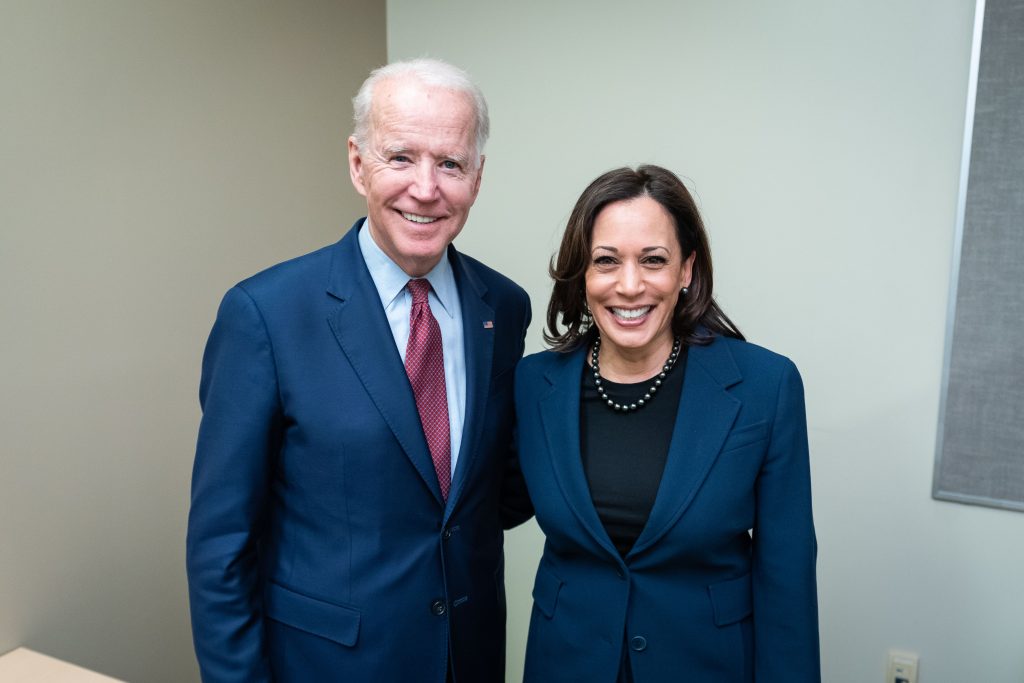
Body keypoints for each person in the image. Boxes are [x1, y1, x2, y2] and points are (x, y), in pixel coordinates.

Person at [185, 58, 531, 683]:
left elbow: (487, 496)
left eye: (449, 163)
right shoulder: (266, 315)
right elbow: (220, 548)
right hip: (328, 664)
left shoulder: (503, 309)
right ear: (357, 163)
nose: (426, 188)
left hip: (469, 659)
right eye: (400, 157)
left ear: (477, 177)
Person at [514, 165, 819, 682]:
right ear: (581, 275)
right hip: (565, 663)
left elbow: (786, 577)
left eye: (653, 260)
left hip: (706, 666)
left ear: (686, 270)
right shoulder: (531, 384)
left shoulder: (765, 386)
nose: (629, 286)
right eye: (606, 261)